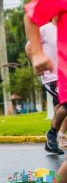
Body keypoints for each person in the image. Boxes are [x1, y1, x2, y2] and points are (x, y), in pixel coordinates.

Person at [23, 0, 67, 183]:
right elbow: (31, 18)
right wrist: (37, 57)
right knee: (62, 107)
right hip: (56, 76)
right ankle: (54, 134)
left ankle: (55, 135)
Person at [25, 18, 67, 153]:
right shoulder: (44, 29)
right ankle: (52, 133)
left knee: (59, 111)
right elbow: (29, 46)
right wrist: (35, 64)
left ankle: (50, 143)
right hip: (52, 77)